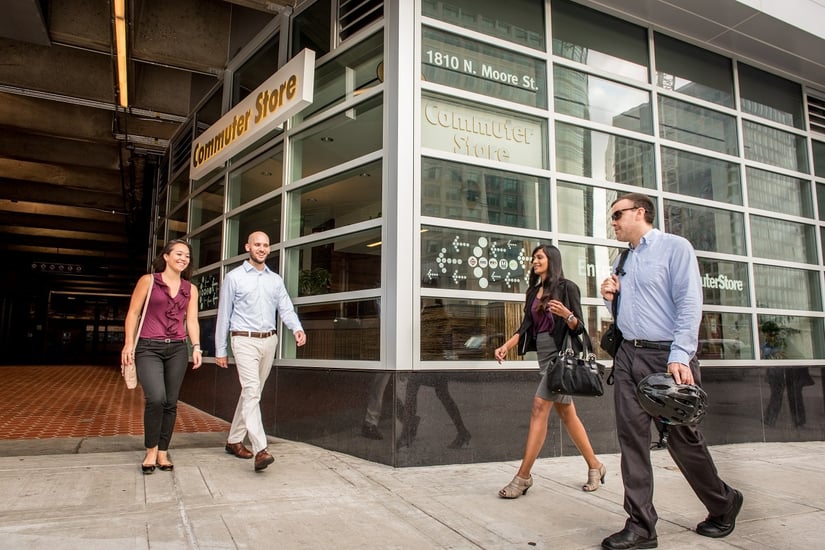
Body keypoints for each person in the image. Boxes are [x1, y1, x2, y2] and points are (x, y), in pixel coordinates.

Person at [599, 193, 743, 549]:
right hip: (629, 356)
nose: (613, 222)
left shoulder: (675, 248)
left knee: (683, 441)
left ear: (640, 213)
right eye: (611, 216)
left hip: (667, 358)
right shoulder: (623, 258)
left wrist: (680, 354)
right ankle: (641, 526)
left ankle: (723, 502)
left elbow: (689, 302)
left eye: (618, 214)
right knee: (631, 440)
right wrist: (609, 297)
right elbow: (629, 312)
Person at [494, 244, 605, 497]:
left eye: (540, 257)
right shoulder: (533, 292)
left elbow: (579, 329)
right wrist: (505, 346)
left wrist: (567, 314)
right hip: (543, 357)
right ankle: (595, 466)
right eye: (534, 258)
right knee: (567, 415)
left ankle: (523, 477)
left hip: (560, 357)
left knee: (539, 407)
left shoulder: (567, 288)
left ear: (551, 260)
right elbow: (525, 327)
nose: (535, 261)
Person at [215, 231, 307, 472]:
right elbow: (223, 315)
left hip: (269, 341)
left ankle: (234, 440)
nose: (262, 248)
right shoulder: (233, 278)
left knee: (251, 393)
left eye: (266, 245)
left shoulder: (274, 280)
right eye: (257, 244)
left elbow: (285, 308)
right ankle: (261, 449)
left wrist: (296, 328)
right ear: (248, 246)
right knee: (252, 391)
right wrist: (220, 349)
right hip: (243, 340)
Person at [121, 239, 202, 474]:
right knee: (156, 398)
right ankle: (151, 449)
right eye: (178, 253)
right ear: (165, 256)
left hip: (177, 348)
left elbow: (191, 320)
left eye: (187, 255)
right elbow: (133, 313)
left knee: (170, 401)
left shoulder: (191, 289)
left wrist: (196, 346)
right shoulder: (149, 281)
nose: (183, 258)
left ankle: (163, 451)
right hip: (148, 347)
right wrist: (128, 344)